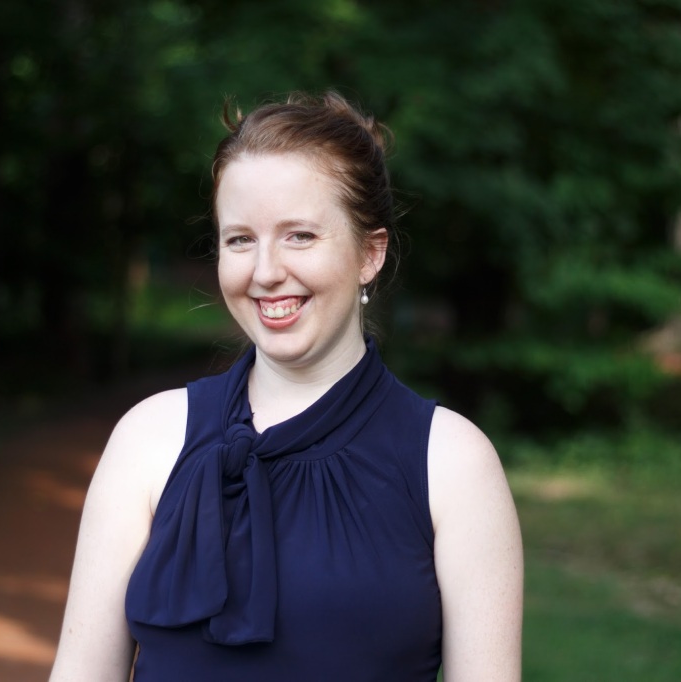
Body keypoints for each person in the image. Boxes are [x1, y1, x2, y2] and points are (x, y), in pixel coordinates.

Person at [49, 91, 523, 682]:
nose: (266, 271)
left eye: (299, 235)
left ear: (369, 253)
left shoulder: (453, 463)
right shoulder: (147, 439)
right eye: (240, 239)